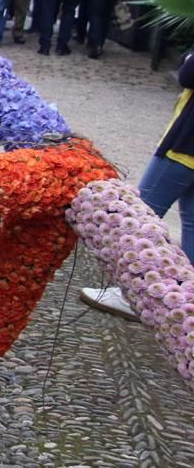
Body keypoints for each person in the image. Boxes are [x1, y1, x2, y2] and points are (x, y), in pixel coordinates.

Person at [81, 50, 194, 320]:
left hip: (184, 147)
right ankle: (185, 301)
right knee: (191, 222)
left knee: (139, 216)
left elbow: (187, 73)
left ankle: (131, 295)